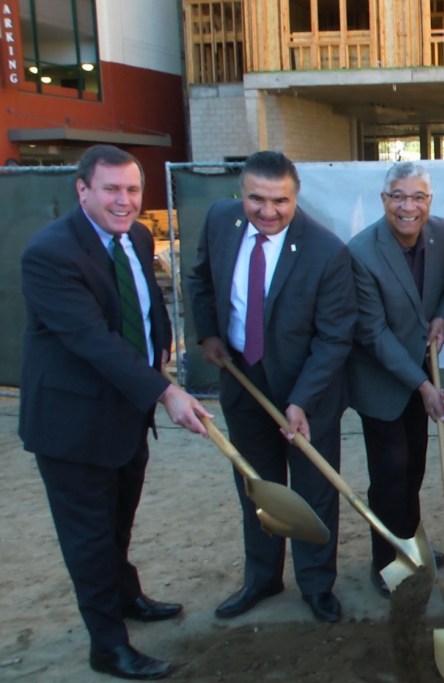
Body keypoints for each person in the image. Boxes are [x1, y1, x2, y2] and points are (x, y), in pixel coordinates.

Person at [20, 144, 211, 680]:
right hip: (73, 426)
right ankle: (107, 646)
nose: (124, 200)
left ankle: (126, 597)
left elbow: (145, 301)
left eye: (132, 189)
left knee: (117, 521)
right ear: (82, 190)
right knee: (89, 538)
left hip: (126, 414)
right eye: (111, 189)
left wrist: (162, 343)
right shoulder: (51, 254)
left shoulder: (138, 236)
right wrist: (165, 391)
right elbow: (92, 340)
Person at [188, 150, 355, 624]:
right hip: (243, 378)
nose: (267, 211)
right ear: (241, 193)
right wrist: (209, 333)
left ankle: (316, 584)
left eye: (280, 201)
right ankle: (262, 578)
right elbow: (201, 279)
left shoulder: (326, 251)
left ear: (295, 197)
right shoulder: (220, 221)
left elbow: (334, 337)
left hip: (307, 389)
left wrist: (301, 400)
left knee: (312, 488)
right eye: (256, 199)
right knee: (256, 484)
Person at [346, 162, 444, 596]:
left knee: (414, 465)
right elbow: (373, 333)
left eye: (418, 197)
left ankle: (412, 546)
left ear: (429, 201)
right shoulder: (362, 252)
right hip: (380, 379)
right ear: (384, 200)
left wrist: (442, 317)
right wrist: (424, 386)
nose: (408, 206)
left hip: (420, 367)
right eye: (398, 196)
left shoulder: (443, 233)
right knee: (390, 471)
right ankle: (387, 562)